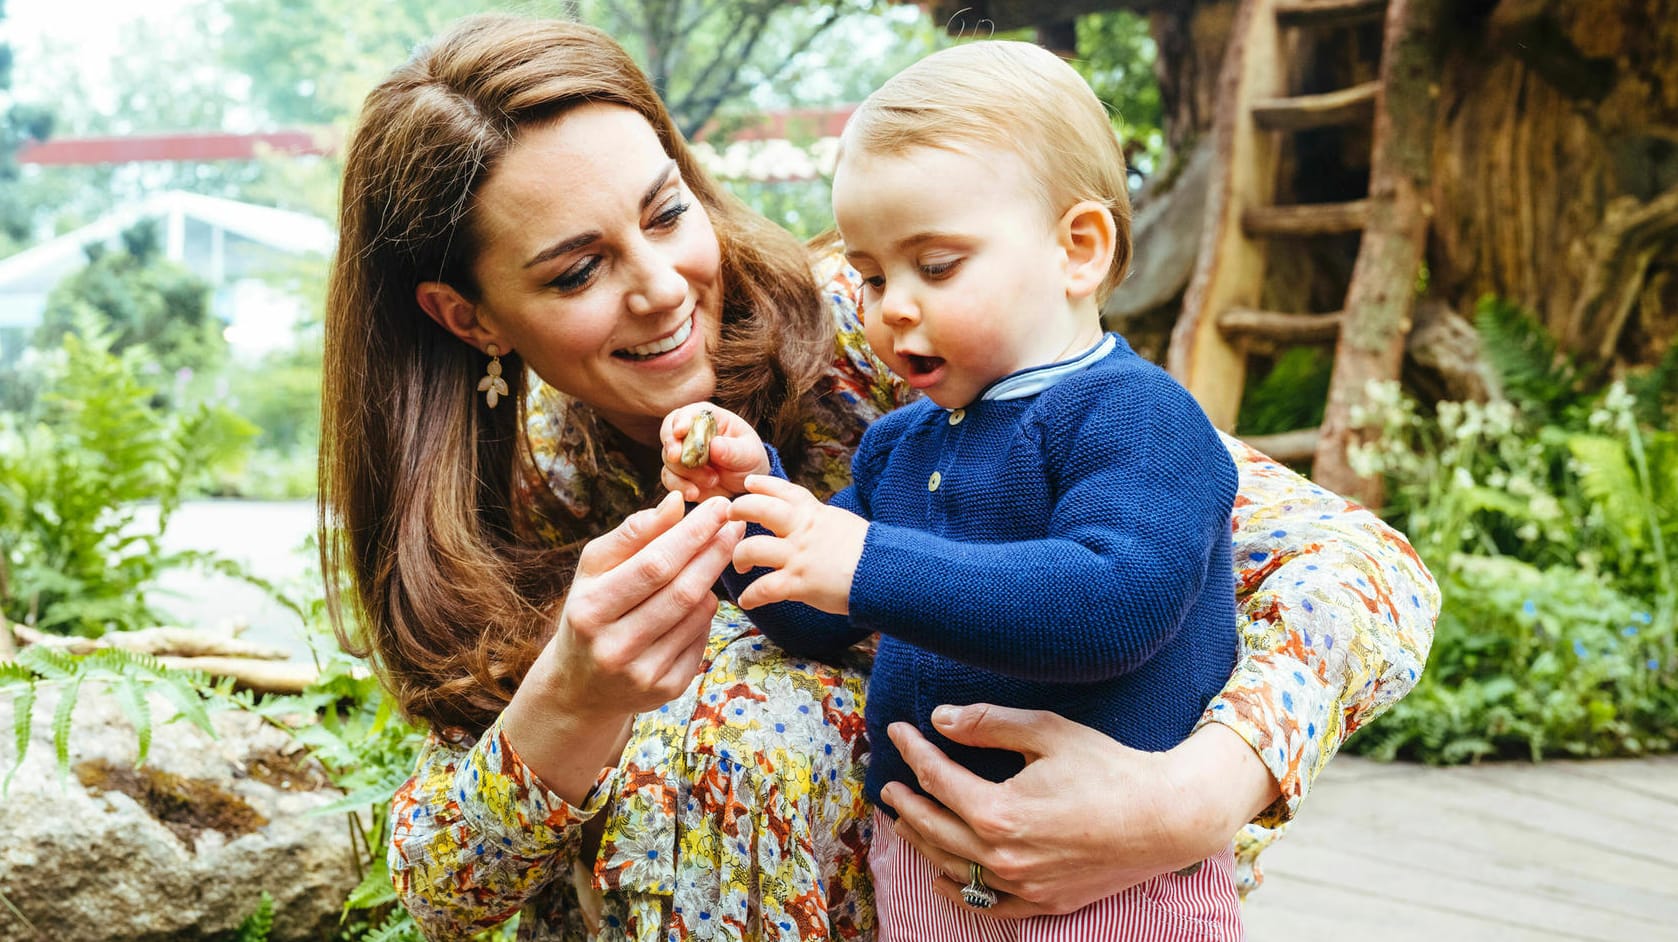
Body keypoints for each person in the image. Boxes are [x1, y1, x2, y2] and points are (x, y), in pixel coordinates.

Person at [319, 14, 1438, 942]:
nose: (661, 285)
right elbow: (441, 889)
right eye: (577, 270)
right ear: (467, 317)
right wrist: (573, 697)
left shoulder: (901, 330)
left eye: (668, 213)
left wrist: (1190, 801)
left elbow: (1361, 570)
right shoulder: (515, 505)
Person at [658, 41, 1244, 939]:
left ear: (1077, 250)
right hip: (928, 867)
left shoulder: (1135, 416)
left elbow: (1118, 601)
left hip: (1108, 879)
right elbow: (815, 612)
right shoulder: (902, 445)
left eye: (935, 266)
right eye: (871, 274)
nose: (892, 305)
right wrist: (745, 505)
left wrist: (865, 562)